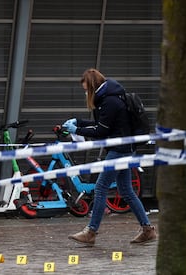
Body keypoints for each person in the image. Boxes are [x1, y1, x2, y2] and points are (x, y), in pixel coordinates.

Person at [64, 68, 156, 246]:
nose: (85, 93)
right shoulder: (109, 97)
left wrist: (77, 130)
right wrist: (79, 122)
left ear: (92, 86)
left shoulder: (110, 101)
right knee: (127, 191)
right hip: (123, 149)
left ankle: (91, 232)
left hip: (119, 150)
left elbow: (101, 130)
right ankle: (147, 230)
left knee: (100, 188)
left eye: (86, 90)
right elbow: (104, 124)